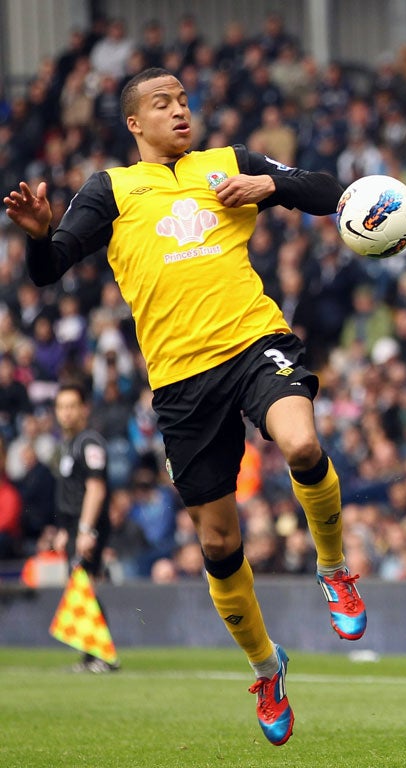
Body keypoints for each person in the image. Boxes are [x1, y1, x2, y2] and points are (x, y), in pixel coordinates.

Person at [4, 67, 366, 747]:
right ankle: (266, 668)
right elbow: (50, 267)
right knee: (218, 542)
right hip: (180, 382)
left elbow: (332, 194)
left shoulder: (230, 163)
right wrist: (36, 233)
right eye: (161, 104)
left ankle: (335, 569)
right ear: (134, 124)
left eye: (183, 101)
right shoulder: (110, 188)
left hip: (253, 342)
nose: (180, 111)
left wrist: (271, 184)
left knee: (302, 446)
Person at [52, 380, 118, 673]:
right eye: (61, 407)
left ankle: (103, 656)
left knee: (85, 587)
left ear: (84, 410)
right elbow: (72, 493)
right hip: (74, 526)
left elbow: (95, 489)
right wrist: (65, 528)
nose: (65, 413)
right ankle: (91, 656)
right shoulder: (71, 445)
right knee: (79, 587)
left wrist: (85, 530)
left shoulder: (89, 443)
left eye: (71, 407)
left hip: (87, 527)